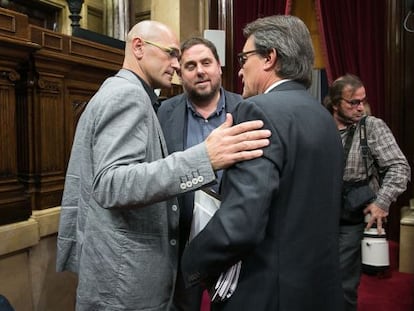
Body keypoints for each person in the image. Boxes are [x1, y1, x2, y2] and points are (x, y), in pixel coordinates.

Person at [55, 20, 271, 311]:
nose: (175, 64)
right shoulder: (127, 96)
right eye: (171, 53)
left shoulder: (122, 91)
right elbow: (112, 184)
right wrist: (204, 158)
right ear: (139, 47)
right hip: (126, 280)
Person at [181, 15, 345, 311]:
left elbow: (242, 224)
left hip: (268, 292)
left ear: (270, 58)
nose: (240, 69)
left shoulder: (258, 109)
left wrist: (191, 261)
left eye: (244, 57)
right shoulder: (323, 115)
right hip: (317, 287)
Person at [157, 37, 242, 311]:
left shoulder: (246, 109)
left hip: (234, 232)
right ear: (180, 74)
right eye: (190, 66)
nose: (200, 71)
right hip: (183, 234)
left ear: (219, 66)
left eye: (206, 62)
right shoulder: (164, 112)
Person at [323, 73, 411, 311]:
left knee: (343, 281)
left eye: (363, 101)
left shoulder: (371, 127)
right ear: (334, 103)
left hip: (350, 217)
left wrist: (382, 202)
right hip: (319, 215)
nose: (361, 107)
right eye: (353, 102)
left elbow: (399, 167)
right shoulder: (319, 124)